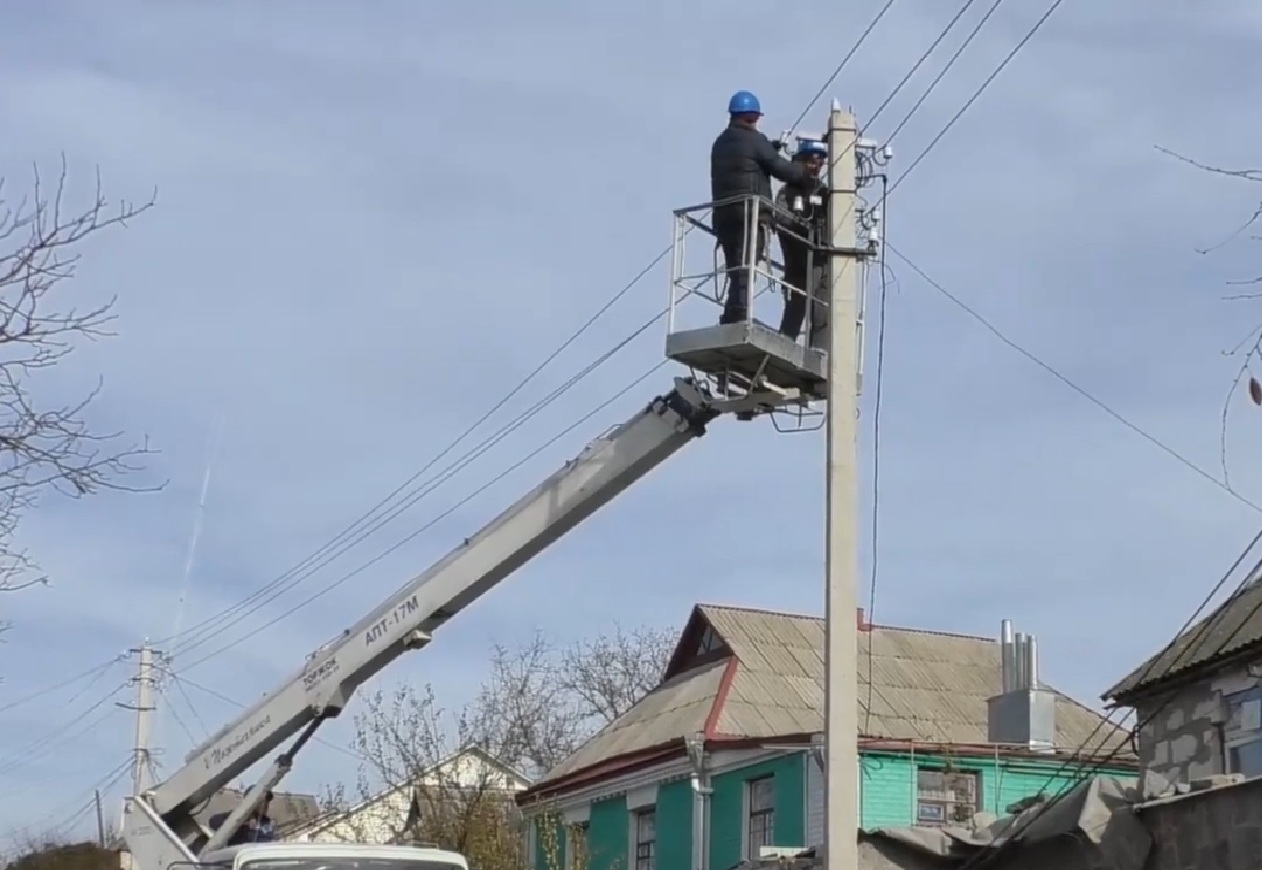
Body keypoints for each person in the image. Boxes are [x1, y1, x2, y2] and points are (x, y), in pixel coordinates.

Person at [710, 90, 820, 326]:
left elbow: (744, 160)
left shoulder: (720, 143)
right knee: (747, 265)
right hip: (751, 214)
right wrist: (804, 176)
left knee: (735, 266)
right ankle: (738, 312)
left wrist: (768, 148)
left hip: (724, 214)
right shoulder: (754, 140)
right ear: (753, 117)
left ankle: (732, 312)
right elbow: (782, 169)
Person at [773, 138, 830, 349]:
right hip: (798, 260)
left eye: (820, 162)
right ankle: (784, 346)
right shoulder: (789, 190)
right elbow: (781, 217)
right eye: (811, 161)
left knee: (822, 312)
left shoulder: (824, 192)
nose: (816, 166)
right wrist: (802, 228)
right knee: (796, 307)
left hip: (821, 260)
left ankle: (819, 353)